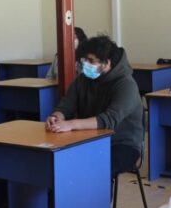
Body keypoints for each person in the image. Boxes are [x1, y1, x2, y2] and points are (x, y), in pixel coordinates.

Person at [45, 35, 143, 178]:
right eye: (84, 60)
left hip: (122, 143)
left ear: (107, 63)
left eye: (91, 61)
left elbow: (108, 120)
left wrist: (71, 124)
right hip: (89, 139)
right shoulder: (82, 80)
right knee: (57, 163)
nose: (86, 64)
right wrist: (56, 117)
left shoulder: (126, 84)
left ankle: (98, 200)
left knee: (94, 169)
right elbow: (66, 105)